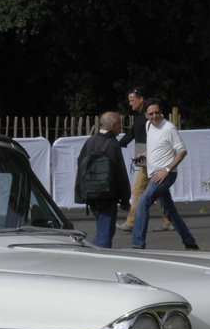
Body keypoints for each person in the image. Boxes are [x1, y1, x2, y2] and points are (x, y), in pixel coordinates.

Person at [131, 100, 199, 250]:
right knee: (169, 210)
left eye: (157, 112)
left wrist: (166, 170)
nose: (155, 116)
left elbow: (182, 151)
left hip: (165, 175)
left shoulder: (169, 128)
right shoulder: (149, 125)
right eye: (151, 114)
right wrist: (145, 154)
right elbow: (156, 146)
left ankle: (137, 245)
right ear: (146, 115)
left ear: (161, 112)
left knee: (142, 203)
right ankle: (190, 243)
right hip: (155, 173)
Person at [75, 110, 131, 247]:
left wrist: (82, 194)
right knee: (105, 234)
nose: (120, 128)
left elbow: (80, 167)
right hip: (107, 195)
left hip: (90, 194)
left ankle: (91, 254)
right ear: (113, 126)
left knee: (103, 230)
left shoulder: (90, 141)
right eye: (119, 124)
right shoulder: (113, 144)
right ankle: (93, 258)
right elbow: (120, 173)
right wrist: (125, 199)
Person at [114, 88, 151, 230]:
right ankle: (169, 221)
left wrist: (118, 145)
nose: (130, 104)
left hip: (149, 158)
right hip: (145, 158)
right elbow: (132, 133)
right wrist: (118, 145)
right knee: (160, 194)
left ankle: (131, 222)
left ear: (141, 99)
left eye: (132, 100)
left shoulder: (148, 115)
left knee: (137, 189)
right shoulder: (140, 116)